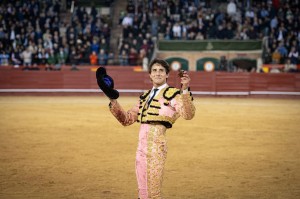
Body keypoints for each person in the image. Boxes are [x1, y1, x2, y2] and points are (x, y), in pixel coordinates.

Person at [96, 58, 195, 199]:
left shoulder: (173, 94)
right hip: (141, 149)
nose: (158, 73)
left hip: (156, 149)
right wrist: (112, 98)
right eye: (154, 70)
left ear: (167, 74)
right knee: (143, 192)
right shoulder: (144, 97)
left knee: (153, 193)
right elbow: (126, 119)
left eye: (161, 70)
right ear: (150, 75)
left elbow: (188, 114)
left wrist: (184, 90)